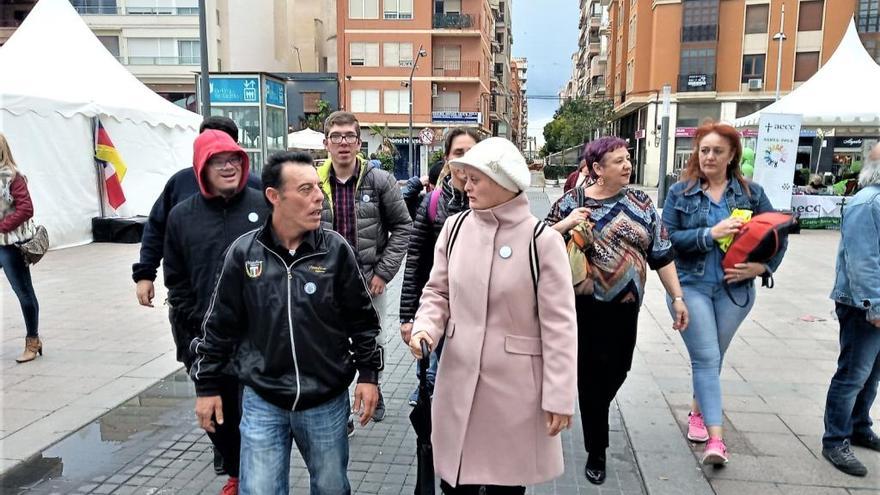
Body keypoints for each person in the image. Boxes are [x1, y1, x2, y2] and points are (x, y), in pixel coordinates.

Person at [190, 151, 383, 494]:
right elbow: (219, 326)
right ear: (274, 197)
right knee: (260, 489)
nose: (318, 198)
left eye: (318, 189)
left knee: (331, 487)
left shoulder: (335, 251)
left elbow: (362, 321)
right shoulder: (244, 253)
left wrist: (368, 375)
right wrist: (207, 386)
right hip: (263, 398)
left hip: (325, 399)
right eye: (306, 189)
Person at [409, 137, 578, 494]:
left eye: (475, 178)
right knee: (455, 483)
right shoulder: (454, 231)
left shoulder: (541, 240)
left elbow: (560, 326)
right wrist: (426, 327)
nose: (466, 186)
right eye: (464, 177)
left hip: (514, 392)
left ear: (504, 180)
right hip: (456, 381)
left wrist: (559, 395)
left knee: (505, 487)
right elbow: (437, 292)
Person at [545, 137, 688, 484]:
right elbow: (539, 243)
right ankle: (597, 447)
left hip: (626, 309)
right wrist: (566, 225)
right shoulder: (571, 203)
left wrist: (678, 298)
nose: (627, 166)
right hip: (583, 306)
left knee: (618, 369)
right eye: (619, 161)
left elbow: (662, 253)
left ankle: (597, 409)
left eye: (628, 160)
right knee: (591, 375)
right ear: (596, 169)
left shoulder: (641, 204)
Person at [662, 121, 787, 465]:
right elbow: (666, 241)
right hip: (691, 285)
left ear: (733, 154)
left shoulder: (752, 194)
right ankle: (717, 441)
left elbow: (780, 232)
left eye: (717, 151)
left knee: (713, 356)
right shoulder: (680, 192)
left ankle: (698, 411)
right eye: (704, 150)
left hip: (735, 290)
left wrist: (764, 268)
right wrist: (709, 234)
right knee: (706, 358)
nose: (709, 157)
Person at [163, 129, 268, 495]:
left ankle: (248, 479)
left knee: (256, 416)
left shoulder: (263, 205)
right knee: (217, 416)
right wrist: (198, 322)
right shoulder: (181, 216)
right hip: (204, 339)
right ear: (201, 168)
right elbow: (175, 279)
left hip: (258, 338)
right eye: (219, 161)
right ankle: (236, 469)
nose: (228, 167)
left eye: (234, 160)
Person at [317, 111, 412, 423]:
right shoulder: (314, 181)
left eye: (349, 136)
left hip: (368, 278)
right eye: (336, 136)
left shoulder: (379, 180)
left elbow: (402, 226)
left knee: (374, 337)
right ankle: (338, 402)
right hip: (325, 281)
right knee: (330, 340)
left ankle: (374, 385)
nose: (343, 142)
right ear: (326, 143)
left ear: (359, 142)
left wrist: (384, 272)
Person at [132, 116, 261, 309]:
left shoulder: (259, 192)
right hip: (196, 306)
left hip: (251, 309)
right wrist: (145, 274)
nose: (226, 166)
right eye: (215, 158)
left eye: (230, 156)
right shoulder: (179, 186)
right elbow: (156, 230)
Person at [400, 127, 480, 405]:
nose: (466, 160)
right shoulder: (433, 202)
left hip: (480, 312)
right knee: (440, 371)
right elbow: (415, 261)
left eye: (472, 153)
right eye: (459, 153)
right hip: (441, 306)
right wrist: (408, 316)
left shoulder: (493, 202)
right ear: (447, 158)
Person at [822, 142, 880, 477]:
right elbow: (863, 261)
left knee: (871, 375)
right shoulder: (867, 203)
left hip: (872, 302)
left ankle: (859, 426)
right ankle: (836, 439)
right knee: (853, 374)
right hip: (863, 304)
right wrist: (873, 305)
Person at [0, 133, 41, 363]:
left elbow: (26, 209)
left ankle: (33, 340)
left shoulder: (13, 177)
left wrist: (2, 226)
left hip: (9, 244)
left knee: (24, 293)